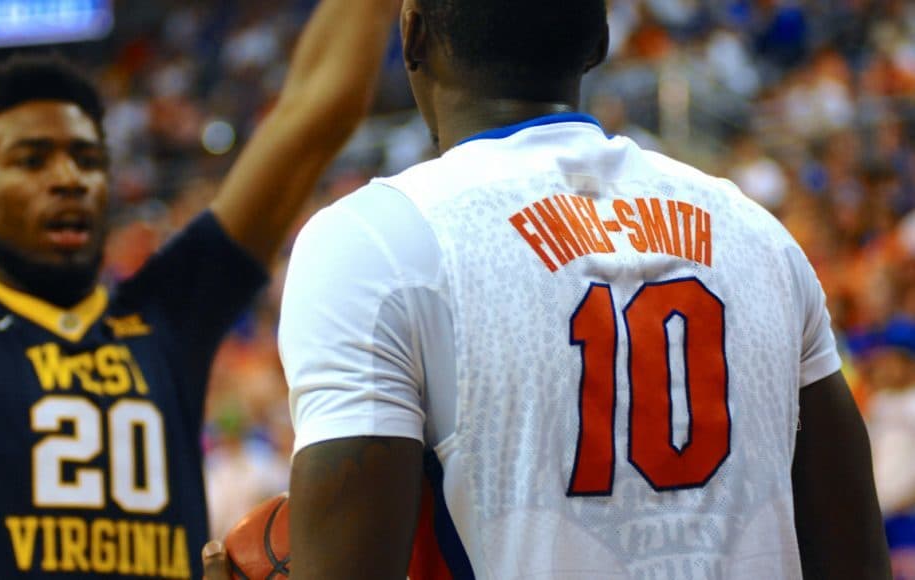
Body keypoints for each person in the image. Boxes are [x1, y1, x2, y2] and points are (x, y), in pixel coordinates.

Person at [263, 0, 891, 578]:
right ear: (599, 43)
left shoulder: (376, 242)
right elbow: (857, 560)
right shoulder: (759, 234)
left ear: (413, 34)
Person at [0, 0, 400, 577]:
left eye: (87, 159)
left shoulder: (165, 318)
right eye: (32, 160)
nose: (69, 179)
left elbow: (314, 113)